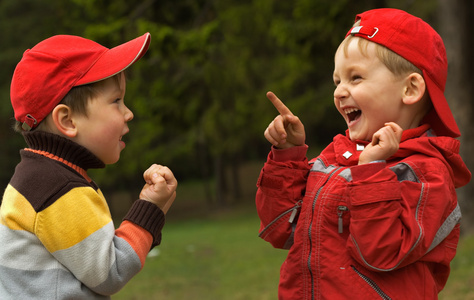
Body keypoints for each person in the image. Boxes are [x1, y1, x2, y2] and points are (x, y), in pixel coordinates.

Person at [256, 8, 471, 299]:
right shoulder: (335, 157)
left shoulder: (427, 172)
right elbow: (279, 229)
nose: (340, 92)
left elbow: (384, 254)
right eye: (337, 81)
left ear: (410, 89)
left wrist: (371, 171)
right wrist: (288, 156)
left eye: (355, 78)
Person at [0, 33, 177, 299]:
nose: (128, 113)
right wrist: (149, 210)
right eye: (116, 101)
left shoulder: (40, 176)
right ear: (68, 121)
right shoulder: (58, 188)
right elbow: (110, 272)